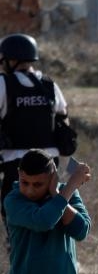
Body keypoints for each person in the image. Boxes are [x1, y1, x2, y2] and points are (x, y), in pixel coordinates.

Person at [0, 33, 72, 221]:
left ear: (12, 60)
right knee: (49, 214)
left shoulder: (3, 84)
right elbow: (64, 117)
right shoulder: (49, 85)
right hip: (49, 162)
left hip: (15, 163)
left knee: (15, 218)